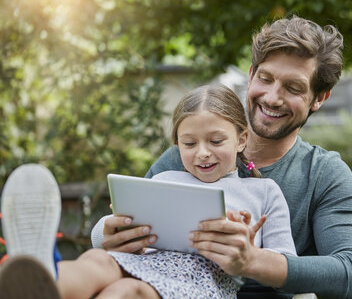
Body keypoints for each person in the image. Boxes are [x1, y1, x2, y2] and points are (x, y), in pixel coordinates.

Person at [92, 16, 352, 298]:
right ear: (251, 75)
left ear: (319, 98)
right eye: (265, 79)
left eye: (293, 88)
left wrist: (253, 261)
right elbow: (127, 228)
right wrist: (108, 234)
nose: (273, 97)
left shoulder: (324, 174)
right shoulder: (183, 157)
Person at [0, 84, 297, 298]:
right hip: (143, 258)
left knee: (128, 291)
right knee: (97, 261)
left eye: (216, 141)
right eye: (189, 144)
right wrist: (108, 230)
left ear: (242, 139)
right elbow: (110, 230)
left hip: (200, 280)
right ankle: (39, 285)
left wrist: (251, 254)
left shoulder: (263, 191)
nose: (202, 153)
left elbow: (288, 268)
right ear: (177, 144)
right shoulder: (165, 178)